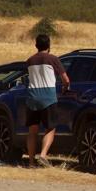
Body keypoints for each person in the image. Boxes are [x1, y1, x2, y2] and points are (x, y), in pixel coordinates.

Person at [26, 34, 70, 167]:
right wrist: (65, 87)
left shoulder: (30, 60)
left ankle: (31, 162)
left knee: (32, 131)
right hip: (48, 98)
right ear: (49, 46)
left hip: (32, 97)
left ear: (36, 45)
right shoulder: (53, 59)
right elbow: (66, 79)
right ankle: (43, 155)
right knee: (50, 128)